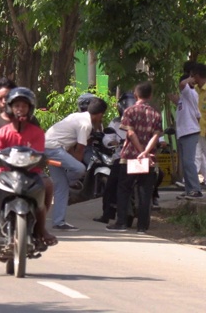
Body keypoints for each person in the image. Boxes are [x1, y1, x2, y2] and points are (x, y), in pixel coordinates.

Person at [0, 87, 57, 247]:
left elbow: (39, 152)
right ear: (10, 108)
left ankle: (41, 228)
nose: (20, 109)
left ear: (30, 108)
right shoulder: (2, 132)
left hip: (32, 174)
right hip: (4, 174)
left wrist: (41, 159)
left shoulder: (37, 132)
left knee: (47, 186)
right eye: (17, 106)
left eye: (24, 106)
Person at [106, 81, 162, 234]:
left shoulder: (129, 111)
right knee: (145, 192)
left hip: (130, 156)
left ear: (136, 95)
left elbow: (130, 133)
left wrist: (140, 151)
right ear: (150, 96)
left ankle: (122, 223)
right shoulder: (156, 114)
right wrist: (146, 152)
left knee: (124, 189)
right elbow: (156, 136)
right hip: (148, 159)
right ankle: (142, 227)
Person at [45, 97, 108, 232]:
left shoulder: (77, 116)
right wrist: (74, 172)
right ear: (99, 114)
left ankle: (59, 221)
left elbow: (69, 144)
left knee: (62, 188)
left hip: (49, 147)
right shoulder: (86, 124)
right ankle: (55, 183)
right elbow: (80, 150)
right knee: (80, 169)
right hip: (53, 148)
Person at [92, 93, 133, 223]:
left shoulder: (141, 119)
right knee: (111, 185)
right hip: (121, 158)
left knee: (156, 176)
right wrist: (112, 143)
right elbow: (107, 138)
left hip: (140, 159)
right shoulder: (115, 122)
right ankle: (107, 215)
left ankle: (151, 201)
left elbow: (156, 135)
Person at [173, 62, 202, 199]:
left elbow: (183, 85)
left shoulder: (190, 92)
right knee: (185, 162)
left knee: (189, 161)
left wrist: (190, 79)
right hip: (184, 132)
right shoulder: (184, 98)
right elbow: (196, 115)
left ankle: (195, 189)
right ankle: (189, 189)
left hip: (190, 132)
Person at [189, 62, 206, 199]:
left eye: (193, 75)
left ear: (198, 75)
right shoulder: (195, 90)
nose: (192, 78)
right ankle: (194, 188)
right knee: (195, 158)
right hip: (197, 130)